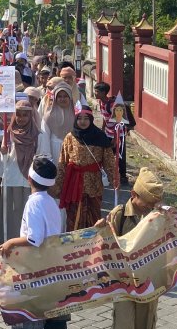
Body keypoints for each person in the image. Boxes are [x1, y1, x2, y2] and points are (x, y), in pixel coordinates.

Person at [0, 155, 69, 329]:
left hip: (35, 267)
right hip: (54, 265)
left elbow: (34, 239)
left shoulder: (34, 202)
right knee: (55, 315)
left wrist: (10, 243)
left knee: (25, 311)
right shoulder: (51, 203)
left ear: (29, 178)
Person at [101, 168, 164, 329]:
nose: (149, 206)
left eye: (153, 203)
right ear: (134, 194)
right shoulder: (118, 215)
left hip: (149, 282)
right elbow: (104, 245)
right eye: (146, 201)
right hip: (124, 284)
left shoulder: (159, 217)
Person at [54, 102, 115, 231]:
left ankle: (93, 246)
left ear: (91, 119)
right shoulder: (70, 137)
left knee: (94, 216)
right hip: (74, 184)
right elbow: (63, 163)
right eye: (79, 118)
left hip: (94, 183)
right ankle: (74, 247)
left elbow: (109, 161)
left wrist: (115, 178)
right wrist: (58, 186)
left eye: (86, 118)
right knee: (74, 217)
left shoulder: (100, 137)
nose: (82, 122)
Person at [0, 96, 40, 244]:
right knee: (11, 214)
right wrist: (3, 151)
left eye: (25, 115)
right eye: (18, 114)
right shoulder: (9, 133)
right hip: (11, 178)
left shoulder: (38, 135)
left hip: (28, 180)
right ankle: (9, 244)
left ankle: (26, 244)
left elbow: (41, 156)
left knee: (26, 214)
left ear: (31, 115)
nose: (21, 118)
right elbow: (4, 159)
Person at [37, 81, 75, 164]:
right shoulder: (48, 116)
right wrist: (46, 158)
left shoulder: (77, 115)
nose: (62, 99)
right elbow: (45, 138)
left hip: (73, 150)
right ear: (55, 98)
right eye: (59, 96)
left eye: (65, 96)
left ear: (70, 97)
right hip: (54, 151)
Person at [105, 92, 136, 186]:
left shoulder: (113, 105)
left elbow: (117, 122)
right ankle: (111, 174)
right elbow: (104, 118)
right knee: (108, 155)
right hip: (108, 133)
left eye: (97, 91)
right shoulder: (101, 103)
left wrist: (115, 139)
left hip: (118, 134)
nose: (95, 93)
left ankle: (122, 177)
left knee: (120, 156)